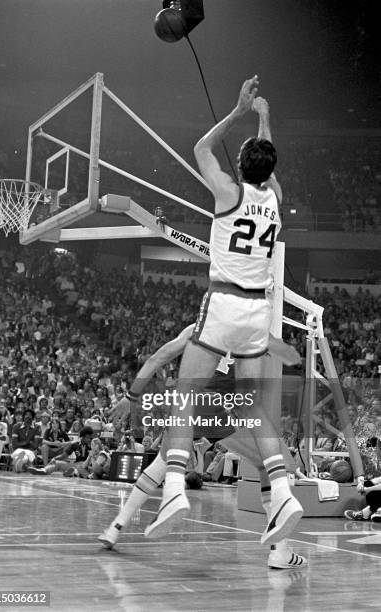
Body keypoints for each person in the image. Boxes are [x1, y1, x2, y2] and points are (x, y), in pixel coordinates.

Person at [146, 78, 302, 544]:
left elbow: (200, 147)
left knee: (185, 393)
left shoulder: (227, 195)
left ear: (239, 166)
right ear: (270, 171)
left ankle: (175, 486)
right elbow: (267, 160)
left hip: (224, 303)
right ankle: (283, 492)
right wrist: (264, 118)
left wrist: (238, 111)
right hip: (258, 310)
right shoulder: (274, 199)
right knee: (257, 410)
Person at [98, 324, 307, 569]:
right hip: (222, 411)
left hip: (190, 407)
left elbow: (158, 357)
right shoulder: (249, 331)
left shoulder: (197, 328)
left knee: (160, 465)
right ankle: (280, 550)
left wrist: (130, 397)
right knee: (266, 467)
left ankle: (115, 527)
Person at [27, 426, 94, 477]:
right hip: (76, 465)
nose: (89, 440)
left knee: (80, 467)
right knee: (57, 463)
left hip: (87, 467)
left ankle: (73, 473)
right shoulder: (75, 444)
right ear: (82, 437)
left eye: (90, 438)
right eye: (87, 438)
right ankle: (43, 470)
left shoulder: (93, 445)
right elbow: (63, 456)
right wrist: (55, 459)